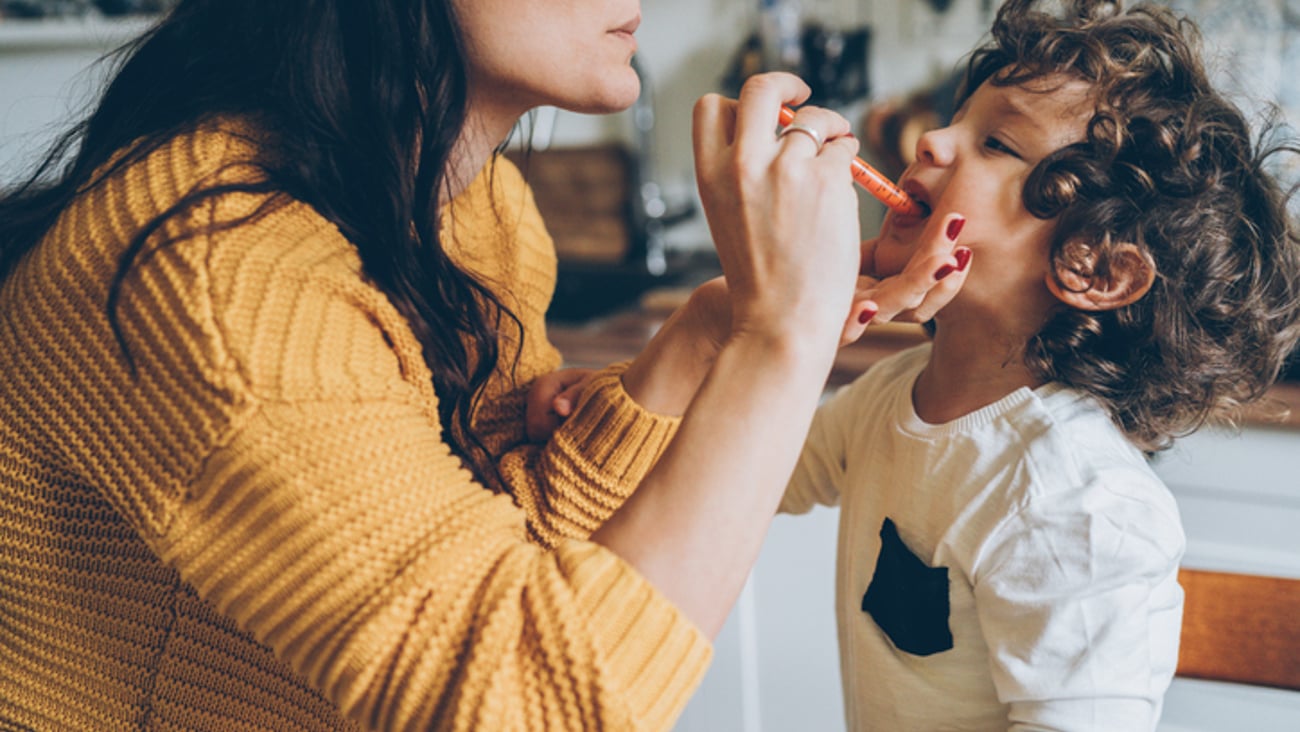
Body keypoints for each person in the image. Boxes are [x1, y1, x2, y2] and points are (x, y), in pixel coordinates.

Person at [0, 1, 970, 730]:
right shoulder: (218, 277)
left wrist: (712, 333)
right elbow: (518, 698)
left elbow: (521, 544)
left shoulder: (475, 205)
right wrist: (780, 342)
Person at [774, 0, 1300, 730]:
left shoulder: (1076, 506)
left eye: (995, 143)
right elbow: (753, 467)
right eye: (958, 118)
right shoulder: (891, 399)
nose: (929, 139)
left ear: (1095, 267)